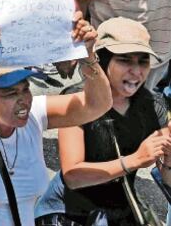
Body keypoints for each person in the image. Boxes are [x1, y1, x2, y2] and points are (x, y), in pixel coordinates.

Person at [0, 16, 112, 225]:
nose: (23, 100)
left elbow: (97, 105)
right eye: (10, 93)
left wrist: (87, 55)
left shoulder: (35, 113)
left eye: (25, 89)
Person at [35, 17, 171, 224]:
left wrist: (168, 163)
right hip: (69, 212)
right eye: (125, 60)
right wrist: (134, 160)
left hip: (121, 211)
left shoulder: (153, 106)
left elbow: (167, 179)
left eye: (143, 60)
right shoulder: (78, 101)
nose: (136, 71)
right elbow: (73, 176)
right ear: (103, 60)